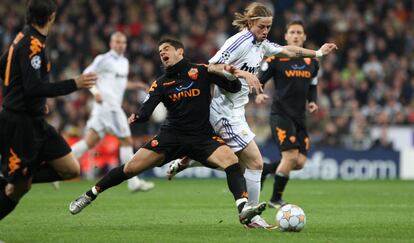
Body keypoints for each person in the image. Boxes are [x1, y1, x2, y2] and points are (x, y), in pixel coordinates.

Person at [167, 2, 337, 228]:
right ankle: (252, 217)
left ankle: (191, 161)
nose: (265, 31)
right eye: (261, 27)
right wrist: (242, 75)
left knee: (239, 164)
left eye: (268, 27)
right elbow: (211, 67)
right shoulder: (238, 42)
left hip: (235, 111)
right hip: (223, 111)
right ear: (250, 23)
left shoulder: (261, 44)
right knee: (255, 163)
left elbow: (289, 50)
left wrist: (317, 52)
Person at [68, 38, 267, 226]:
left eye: (166, 49)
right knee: (129, 169)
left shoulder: (202, 70)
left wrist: (232, 76)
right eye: (160, 51)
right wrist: (137, 117)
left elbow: (231, 87)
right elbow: (146, 110)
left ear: (180, 51)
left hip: (202, 137)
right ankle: (89, 195)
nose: (162, 52)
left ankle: (243, 209)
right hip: (170, 137)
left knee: (231, 162)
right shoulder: (161, 83)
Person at [0, 0, 97, 220]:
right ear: (52, 16)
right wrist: (75, 83)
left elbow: (3, 66)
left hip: (37, 122)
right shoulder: (31, 44)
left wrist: (24, 97)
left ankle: (14, 177)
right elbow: (33, 87)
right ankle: (13, 179)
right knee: (17, 189)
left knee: (71, 169)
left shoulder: (22, 38)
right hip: (19, 124)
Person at [69, 32, 154, 192]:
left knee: (90, 141)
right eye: (117, 42)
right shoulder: (103, 59)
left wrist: (137, 85)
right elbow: (85, 76)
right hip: (109, 107)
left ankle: (59, 165)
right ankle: (133, 181)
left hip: (106, 108)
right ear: (111, 44)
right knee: (127, 141)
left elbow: (119, 83)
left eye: (123, 42)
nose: (120, 45)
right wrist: (95, 93)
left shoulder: (124, 62)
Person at [257, 20, 320, 208]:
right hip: (281, 114)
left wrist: (313, 101)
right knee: (291, 157)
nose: (295, 35)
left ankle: (267, 169)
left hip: (300, 117)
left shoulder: (312, 62)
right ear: (286, 36)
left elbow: (313, 85)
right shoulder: (276, 58)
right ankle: (276, 199)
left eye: (299, 32)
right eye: (292, 32)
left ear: (304, 36)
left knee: (299, 163)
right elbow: (259, 79)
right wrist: (259, 94)